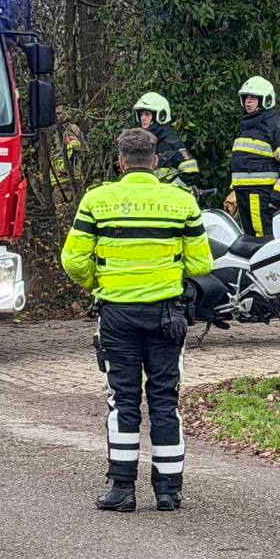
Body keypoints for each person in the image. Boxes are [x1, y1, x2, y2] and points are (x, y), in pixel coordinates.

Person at [60, 128, 213, 512]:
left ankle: (122, 489)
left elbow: (73, 260)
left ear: (121, 162)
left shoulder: (97, 201)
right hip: (167, 315)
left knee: (123, 400)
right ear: (156, 161)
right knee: (165, 400)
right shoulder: (182, 202)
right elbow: (201, 264)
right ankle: (168, 491)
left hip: (117, 315)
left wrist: (100, 282)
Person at [228, 75, 280, 238]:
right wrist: (234, 190)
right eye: (246, 98)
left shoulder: (276, 125)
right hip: (243, 195)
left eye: (253, 98)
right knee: (249, 240)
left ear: (265, 100)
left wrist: (277, 197)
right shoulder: (246, 126)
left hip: (261, 196)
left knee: (263, 242)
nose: (248, 102)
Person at [131, 92, 200, 186]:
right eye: (141, 114)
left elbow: (191, 172)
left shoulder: (172, 143)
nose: (143, 118)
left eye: (147, 114)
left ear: (161, 116)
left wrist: (170, 190)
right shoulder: (142, 142)